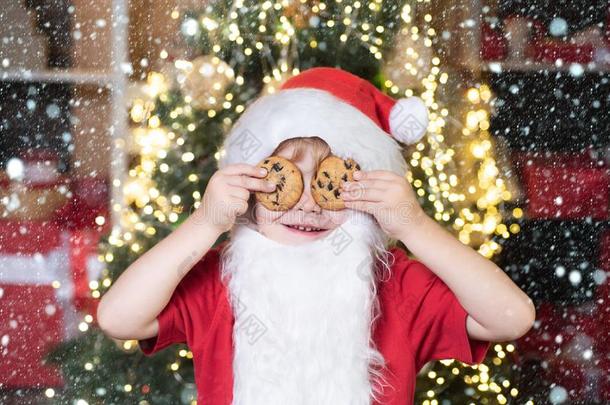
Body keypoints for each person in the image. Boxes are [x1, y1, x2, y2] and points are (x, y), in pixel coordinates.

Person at [97, 67, 535, 405]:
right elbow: (119, 318)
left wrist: (413, 225)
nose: (307, 204)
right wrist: (205, 224)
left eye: (330, 187)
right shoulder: (220, 281)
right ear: (250, 189)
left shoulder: (396, 285)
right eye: (286, 183)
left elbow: (511, 317)